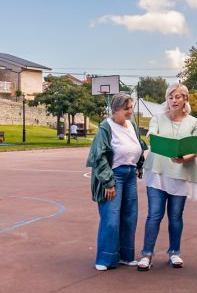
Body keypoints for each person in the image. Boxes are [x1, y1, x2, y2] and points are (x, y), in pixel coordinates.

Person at [137, 83, 197, 272]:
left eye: (178, 97)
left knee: (175, 216)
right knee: (154, 215)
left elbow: (196, 148)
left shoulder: (194, 122)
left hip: (180, 174)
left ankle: (174, 252)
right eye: (171, 97)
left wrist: (184, 158)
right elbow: (154, 139)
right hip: (157, 173)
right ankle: (147, 254)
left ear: (185, 100)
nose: (174, 100)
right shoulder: (157, 119)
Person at [86, 93, 148, 271]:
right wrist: (108, 182)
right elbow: (99, 156)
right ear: (115, 109)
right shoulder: (106, 127)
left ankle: (126, 256)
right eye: (126, 108)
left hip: (129, 175)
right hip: (113, 176)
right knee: (111, 218)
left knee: (130, 217)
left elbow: (139, 147)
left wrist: (139, 165)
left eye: (131, 107)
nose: (130, 111)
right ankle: (105, 259)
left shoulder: (132, 126)